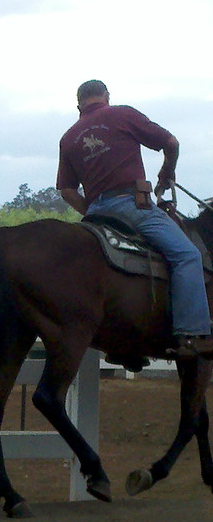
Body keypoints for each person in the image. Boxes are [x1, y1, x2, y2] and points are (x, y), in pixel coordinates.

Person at [56, 79, 213, 359]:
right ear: (106, 96)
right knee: (188, 255)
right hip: (132, 204)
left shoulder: (68, 138)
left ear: (78, 104)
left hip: (95, 216)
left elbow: (66, 190)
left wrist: (92, 210)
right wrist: (167, 173)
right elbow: (171, 143)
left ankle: (123, 347)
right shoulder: (122, 114)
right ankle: (191, 335)